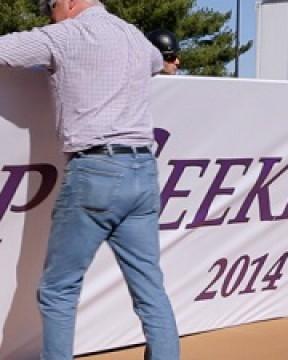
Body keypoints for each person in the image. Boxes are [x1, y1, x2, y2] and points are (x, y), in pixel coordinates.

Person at [0, 1, 180, 359]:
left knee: (58, 290)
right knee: (150, 290)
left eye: (49, 7)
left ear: (67, 3)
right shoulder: (134, 37)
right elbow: (158, 64)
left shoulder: (66, 35)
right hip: (143, 170)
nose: (47, 15)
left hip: (94, 171)